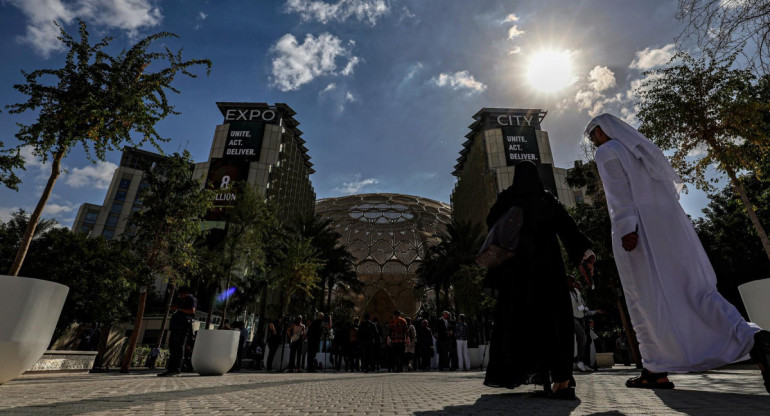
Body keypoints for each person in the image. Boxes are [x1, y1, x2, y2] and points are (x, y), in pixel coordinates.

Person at [585, 113, 770, 392]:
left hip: (640, 234)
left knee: (644, 301)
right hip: (673, 230)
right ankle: (754, 338)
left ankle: (655, 371)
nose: (593, 140)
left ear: (602, 132)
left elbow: (618, 194)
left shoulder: (607, 151)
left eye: (593, 135)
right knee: (698, 291)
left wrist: (626, 229)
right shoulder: (642, 152)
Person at [482, 161, 594, 400]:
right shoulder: (546, 200)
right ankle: (561, 381)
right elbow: (568, 228)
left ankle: (536, 375)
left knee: (520, 322)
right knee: (552, 323)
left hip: (517, 276)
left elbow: (491, 222)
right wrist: (584, 252)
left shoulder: (508, 199)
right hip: (548, 274)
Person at [158, 286, 197, 377]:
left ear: (185, 293)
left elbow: (192, 311)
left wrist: (178, 309)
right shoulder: (181, 300)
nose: (180, 296)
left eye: (181, 294)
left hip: (183, 326)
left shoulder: (191, 299)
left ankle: (176, 369)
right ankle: (170, 369)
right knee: (172, 348)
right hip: (175, 326)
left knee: (179, 348)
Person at [568, 276, 604, 372]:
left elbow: (582, 308)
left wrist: (594, 311)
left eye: (575, 281)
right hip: (572, 317)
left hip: (581, 318)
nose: (575, 283)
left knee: (586, 340)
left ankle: (583, 362)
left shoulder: (577, 292)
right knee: (582, 337)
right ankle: (578, 360)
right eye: (572, 281)